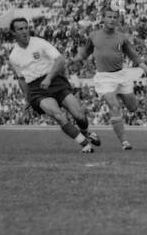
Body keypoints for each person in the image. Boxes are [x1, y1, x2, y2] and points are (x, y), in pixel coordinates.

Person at [6, 16, 101, 153]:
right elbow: (21, 79)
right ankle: (85, 144)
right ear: (13, 33)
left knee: (79, 115)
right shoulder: (13, 56)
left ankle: (85, 132)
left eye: (26, 28)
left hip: (55, 81)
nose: (24, 31)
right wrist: (27, 98)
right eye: (20, 29)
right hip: (36, 89)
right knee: (58, 115)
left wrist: (49, 78)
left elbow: (60, 60)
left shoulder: (40, 43)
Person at [75, 8, 147, 151]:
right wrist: (75, 59)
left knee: (133, 108)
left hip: (121, 75)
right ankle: (124, 142)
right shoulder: (93, 35)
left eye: (115, 17)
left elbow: (133, 54)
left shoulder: (121, 37)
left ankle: (122, 97)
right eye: (109, 17)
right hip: (104, 78)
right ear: (103, 19)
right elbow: (85, 51)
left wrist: (145, 67)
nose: (112, 19)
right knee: (114, 106)